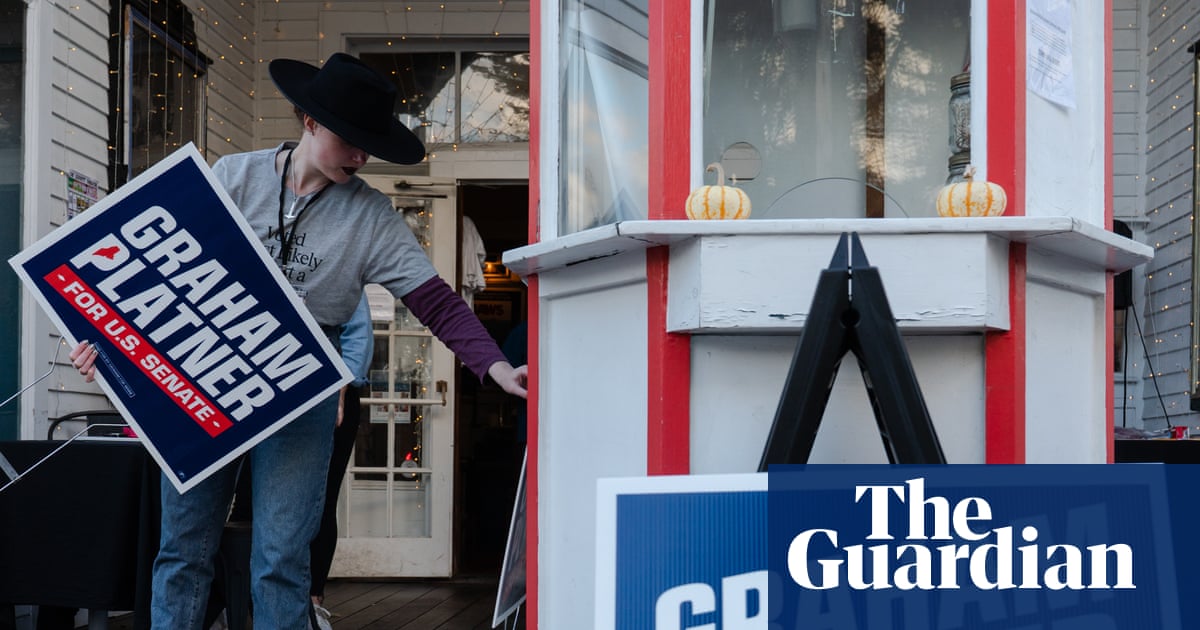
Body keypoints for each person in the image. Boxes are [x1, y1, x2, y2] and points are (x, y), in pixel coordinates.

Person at [71, 52, 527, 630]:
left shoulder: (372, 218)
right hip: (203, 373)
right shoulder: (233, 176)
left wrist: (495, 367)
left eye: (371, 145)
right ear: (309, 121)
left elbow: (434, 301)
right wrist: (96, 341)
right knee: (182, 550)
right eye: (351, 140)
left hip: (302, 383)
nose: (362, 156)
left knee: (282, 559)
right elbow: (144, 267)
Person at [310, 292, 372, 629]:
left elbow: (358, 332)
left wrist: (342, 387)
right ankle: (231, 596)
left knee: (321, 498)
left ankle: (313, 600)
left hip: (336, 392)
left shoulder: (339, 270)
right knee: (247, 503)